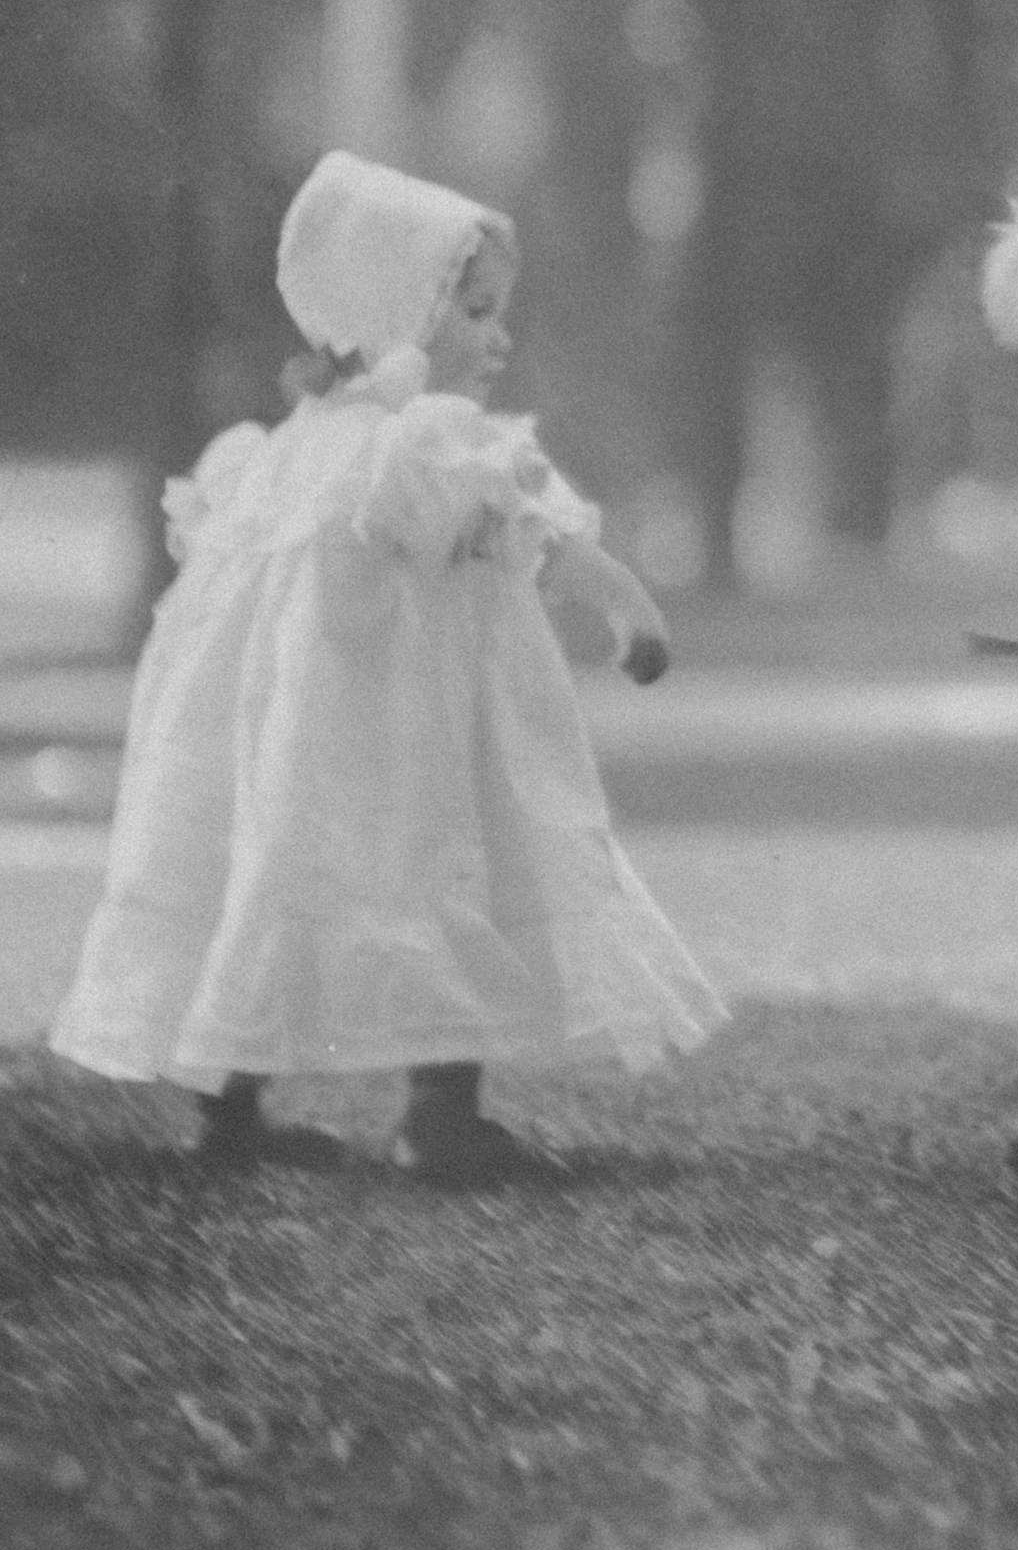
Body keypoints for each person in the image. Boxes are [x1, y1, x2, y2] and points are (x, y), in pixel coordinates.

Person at [51, 151, 726, 1183]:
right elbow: (532, 532)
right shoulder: (416, 443)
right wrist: (621, 598)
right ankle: (421, 1114)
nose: (499, 336)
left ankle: (249, 1109)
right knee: (423, 866)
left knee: (281, 868)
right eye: (476, 310)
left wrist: (622, 604)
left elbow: (511, 528)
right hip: (392, 733)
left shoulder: (285, 450)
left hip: (310, 739)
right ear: (399, 314)